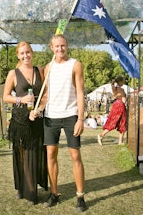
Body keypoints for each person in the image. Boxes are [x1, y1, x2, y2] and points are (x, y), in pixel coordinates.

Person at [43, 34, 87, 212]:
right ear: (51, 48)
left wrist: (81, 118)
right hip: (50, 116)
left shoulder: (75, 65)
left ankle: (80, 196)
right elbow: (46, 95)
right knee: (51, 155)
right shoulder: (48, 67)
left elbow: (80, 93)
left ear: (67, 46)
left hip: (71, 115)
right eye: (56, 46)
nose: (60, 49)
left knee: (75, 156)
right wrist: (38, 109)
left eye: (63, 46)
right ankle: (54, 193)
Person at [3, 41, 48, 205]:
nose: (25, 56)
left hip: (36, 119)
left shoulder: (40, 71)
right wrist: (20, 99)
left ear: (32, 53)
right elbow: (5, 96)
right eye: (22, 53)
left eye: (28, 52)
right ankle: (23, 189)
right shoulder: (13, 74)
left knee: (33, 153)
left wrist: (39, 109)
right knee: (21, 154)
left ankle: (31, 189)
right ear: (18, 55)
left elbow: (45, 95)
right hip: (20, 120)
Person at [97, 76, 127, 146]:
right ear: (120, 82)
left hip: (115, 105)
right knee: (122, 123)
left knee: (113, 122)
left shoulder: (113, 88)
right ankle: (101, 135)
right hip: (120, 106)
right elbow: (124, 100)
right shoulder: (121, 90)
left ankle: (119, 141)